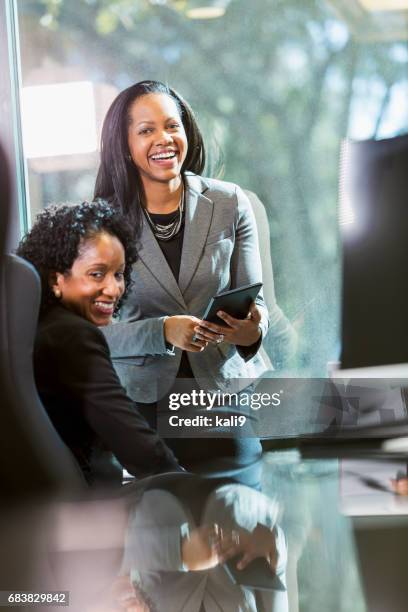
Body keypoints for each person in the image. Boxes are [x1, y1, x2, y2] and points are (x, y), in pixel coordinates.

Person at [94, 80, 293, 482]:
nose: (163, 139)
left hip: (223, 393)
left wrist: (250, 329)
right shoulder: (102, 223)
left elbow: (256, 304)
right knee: (162, 523)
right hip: (143, 402)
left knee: (241, 512)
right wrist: (163, 331)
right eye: (146, 130)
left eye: (172, 126)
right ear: (125, 146)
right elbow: (94, 335)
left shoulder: (230, 203)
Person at [16, 200, 181, 486]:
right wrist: (193, 494)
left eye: (119, 274)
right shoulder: (73, 335)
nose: (114, 288)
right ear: (57, 279)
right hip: (89, 512)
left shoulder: (37, 326)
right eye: (97, 274)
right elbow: (133, 442)